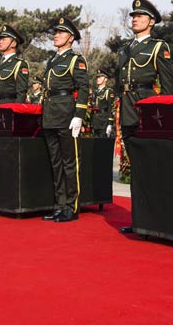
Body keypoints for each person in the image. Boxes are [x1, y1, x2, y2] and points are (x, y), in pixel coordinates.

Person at [116, 0, 173, 234]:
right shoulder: (125, 49)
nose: (135, 19)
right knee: (136, 167)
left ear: (151, 21)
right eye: (133, 16)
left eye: (140, 16)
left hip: (148, 109)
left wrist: (167, 116)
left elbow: (168, 85)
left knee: (152, 166)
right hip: (127, 108)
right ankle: (139, 219)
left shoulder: (158, 47)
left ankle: (157, 218)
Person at [41, 17, 89, 222]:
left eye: (61, 32)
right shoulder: (52, 60)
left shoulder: (75, 60)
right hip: (51, 113)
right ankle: (59, 205)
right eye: (56, 32)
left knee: (70, 163)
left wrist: (79, 115)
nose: (56, 35)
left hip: (66, 113)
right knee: (56, 163)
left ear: (70, 38)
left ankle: (71, 206)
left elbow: (84, 88)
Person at [0, 24, 29, 104]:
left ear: (13, 44)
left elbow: (21, 93)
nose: (0, 41)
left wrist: (16, 109)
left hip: (9, 105)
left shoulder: (19, 64)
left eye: (4, 39)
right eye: (0, 39)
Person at [89, 68, 115, 137]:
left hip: (103, 121)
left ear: (105, 79)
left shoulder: (108, 91)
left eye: (100, 77)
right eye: (97, 77)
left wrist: (110, 124)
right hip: (94, 121)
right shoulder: (94, 92)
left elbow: (111, 108)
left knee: (103, 141)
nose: (98, 79)